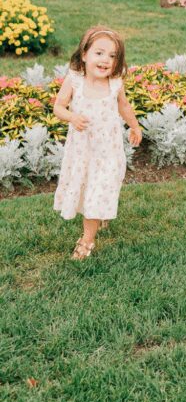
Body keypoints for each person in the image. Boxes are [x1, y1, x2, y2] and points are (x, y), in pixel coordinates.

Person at [53, 25, 142, 260]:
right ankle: (97, 217)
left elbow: (124, 106)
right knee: (87, 189)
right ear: (84, 55)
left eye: (112, 56)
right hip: (82, 152)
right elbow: (58, 107)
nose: (105, 60)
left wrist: (134, 125)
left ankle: (86, 240)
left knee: (97, 191)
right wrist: (72, 117)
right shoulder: (75, 81)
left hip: (108, 153)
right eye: (99, 53)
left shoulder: (114, 84)